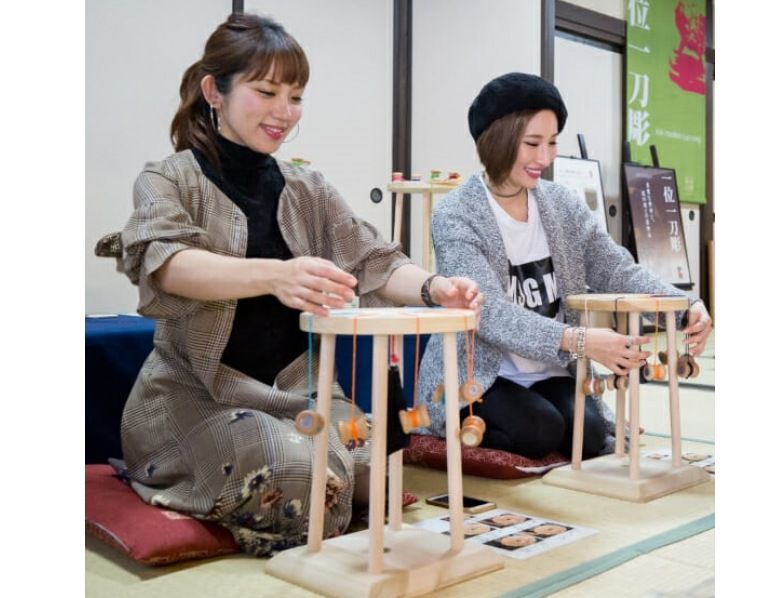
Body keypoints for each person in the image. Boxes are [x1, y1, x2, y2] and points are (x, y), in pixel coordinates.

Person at [115, 13, 482, 557]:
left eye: (296, 97)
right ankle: (184, 476)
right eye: (266, 92)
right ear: (214, 90)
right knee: (300, 476)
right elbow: (166, 264)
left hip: (297, 391)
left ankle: (310, 484)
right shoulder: (169, 178)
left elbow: (373, 259)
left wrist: (436, 288)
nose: (284, 113)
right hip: (199, 391)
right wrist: (276, 275)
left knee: (374, 471)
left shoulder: (307, 188)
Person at [418, 72, 712, 461]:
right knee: (540, 430)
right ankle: (449, 426)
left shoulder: (562, 204)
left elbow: (614, 267)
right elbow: (488, 315)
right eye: (533, 143)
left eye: (553, 143)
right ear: (499, 139)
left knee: (589, 435)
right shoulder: (457, 213)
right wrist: (581, 341)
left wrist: (681, 304)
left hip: (549, 370)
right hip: (480, 377)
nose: (545, 158)